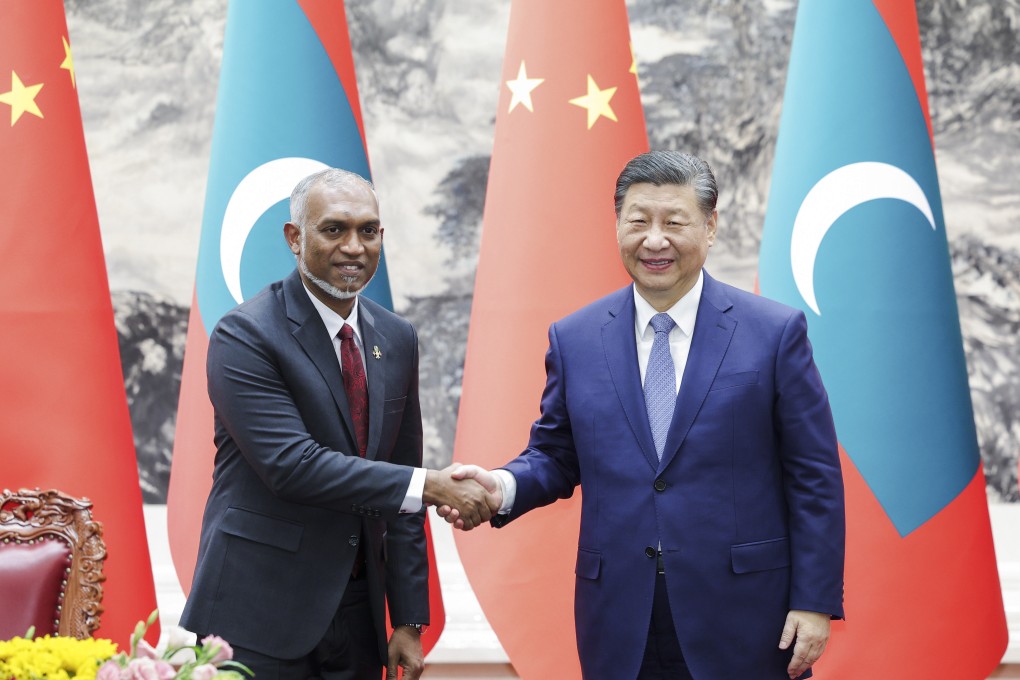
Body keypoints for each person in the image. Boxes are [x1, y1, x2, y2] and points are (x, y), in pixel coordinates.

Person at [442, 151, 846, 679]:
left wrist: (813, 601)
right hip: (619, 618)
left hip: (747, 616)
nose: (654, 240)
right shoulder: (576, 338)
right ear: (617, 227)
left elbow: (813, 476)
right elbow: (556, 456)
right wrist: (500, 487)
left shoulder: (773, 334)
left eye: (674, 222)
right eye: (638, 222)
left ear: (710, 225)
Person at [181, 168, 497, 680]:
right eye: (334, 229)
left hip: (357, 614)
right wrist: (432, 486)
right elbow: (292, 466)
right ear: (294, 237)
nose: (354, 247)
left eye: (368, 231)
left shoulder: (396, 337)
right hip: (256, 610)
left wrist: (410, 620)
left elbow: (402, 477)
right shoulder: (244, 335)